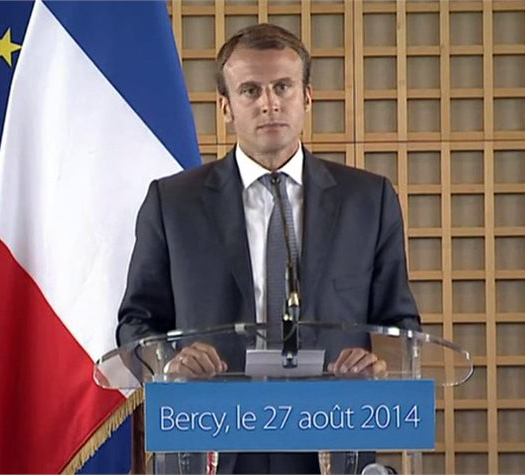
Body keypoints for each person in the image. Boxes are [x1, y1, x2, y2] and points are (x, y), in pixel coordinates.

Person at [117, 23, 420, 474]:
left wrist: (378, 365)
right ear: (225, 106)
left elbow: (401, 325)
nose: (269, 103)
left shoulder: (368, 200)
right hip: (209, 443)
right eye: (250, 90)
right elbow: (135, 324)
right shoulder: (172, 203)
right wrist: (171, 362)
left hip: (329, 442)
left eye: (282, 87)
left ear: (307, 97)